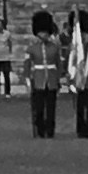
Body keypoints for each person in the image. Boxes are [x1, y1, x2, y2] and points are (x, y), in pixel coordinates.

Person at [23, 11, 64, 139]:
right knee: (39, 108)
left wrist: (59, 79)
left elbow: (58, 64)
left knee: (51, 108)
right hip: (38, 80)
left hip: (51, 80)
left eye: (46, 32)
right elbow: (27, 65)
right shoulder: (32, 48)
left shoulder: (54, 47)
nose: (44, 35)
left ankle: (50, 130)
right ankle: (40, 129)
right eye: (42, 32)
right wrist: (28, 81)